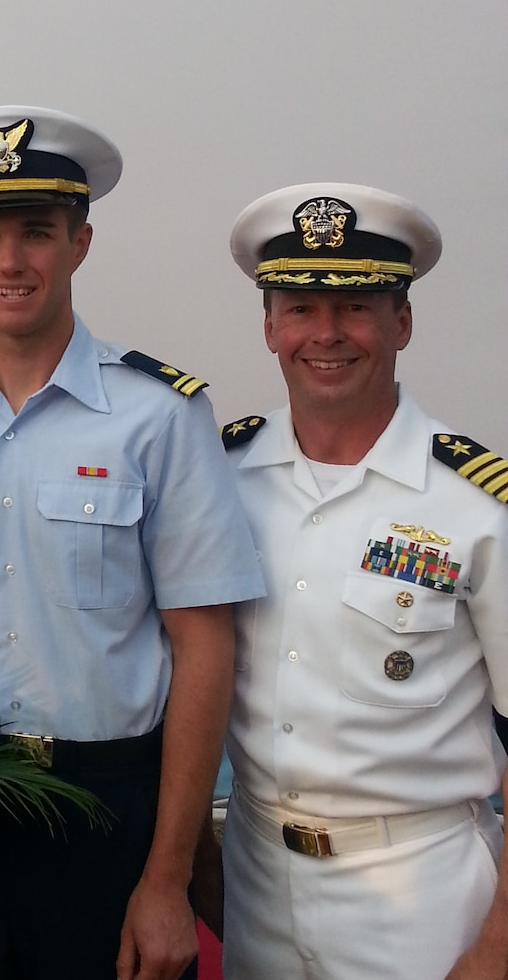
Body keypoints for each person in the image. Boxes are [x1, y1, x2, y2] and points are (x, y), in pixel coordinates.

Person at [0, 107, 266, 980]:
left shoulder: (160, 414)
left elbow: (204, 645)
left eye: (37, 232)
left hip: (109, 814)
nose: (11, 260)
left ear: (79, 241)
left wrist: (166, 876)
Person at [217, 183, 508, 978]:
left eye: (356, 307)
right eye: (301, 308)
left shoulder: (477, 505)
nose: (328, 334)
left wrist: (498, 945)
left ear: (401, 323)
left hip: (421, 893)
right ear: (270, 325)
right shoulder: (219, 478)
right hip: (253, 879)